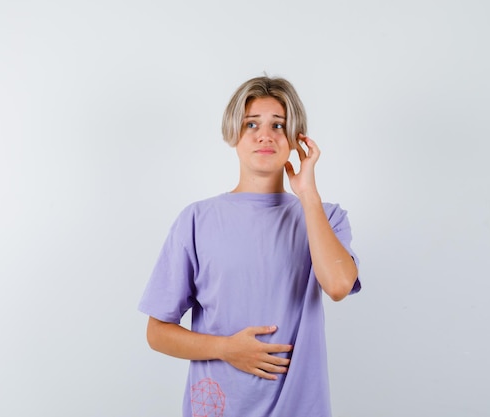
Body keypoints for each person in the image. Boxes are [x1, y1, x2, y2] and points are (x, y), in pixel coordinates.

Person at [138, 76, 361, 417]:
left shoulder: (325, 217)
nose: (264, 135)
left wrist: (308, 195)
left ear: (296, 138)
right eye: (251, 124)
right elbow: (158, 332)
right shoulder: (197, 220)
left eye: (278, 125)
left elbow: (338, 285)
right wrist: (226, 349)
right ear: (234, 134)